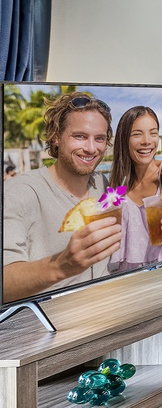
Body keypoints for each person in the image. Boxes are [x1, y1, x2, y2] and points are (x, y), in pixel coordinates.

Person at [2, 92, 122, 302]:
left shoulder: (104, 185)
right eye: (80, 136)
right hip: (54, 327)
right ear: (56, 137)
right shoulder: (18, 192)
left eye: (100, 138)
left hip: (111, 310)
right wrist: (61, 266)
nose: (91, 148)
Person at [107, 106, 162, 269]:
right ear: (124, 139)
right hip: (130, 273)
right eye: (137, 134)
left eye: (153, 132)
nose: (147, 141)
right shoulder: (118, 184)